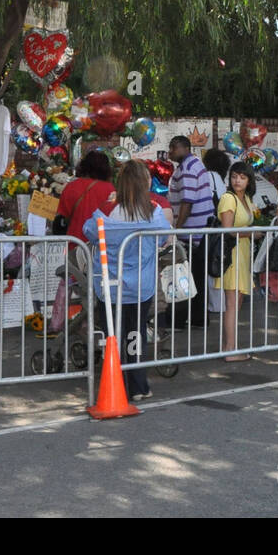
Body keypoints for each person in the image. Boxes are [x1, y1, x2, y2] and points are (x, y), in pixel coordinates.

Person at [83, 160, 170, 402]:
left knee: (113, 335)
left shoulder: (107, 210)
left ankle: (113, 382)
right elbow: (165, 237)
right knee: (136, 333)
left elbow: (88, 229)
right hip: (141, 285)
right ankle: (138, 385)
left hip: (109, 286)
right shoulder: (153, 212)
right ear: (146, 183)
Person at [166, 135, 215, 327]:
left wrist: (176, 231)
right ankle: (198, 318)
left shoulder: (186, 168)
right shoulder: (195, 164)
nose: (170, 152)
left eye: (173, 148)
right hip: (200, 231)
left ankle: (181, 319)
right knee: (196, 277)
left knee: (184, 278)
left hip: (192, 233)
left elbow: (188, 201)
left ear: (185, 148)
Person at [215, 161, 257, 361]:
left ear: (249, 180)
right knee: (232, 302)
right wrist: (251, 234)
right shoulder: (228, 198)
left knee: (237, 302)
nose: (237, 180)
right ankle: (230, 349)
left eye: (242, 177)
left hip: (244, 253)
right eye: (234, 176)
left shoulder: (247, 198)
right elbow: (228, 230)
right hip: (232, 253)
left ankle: (229, 345)